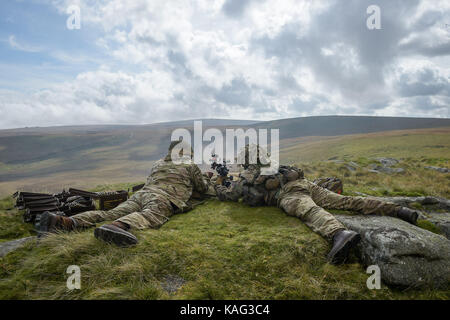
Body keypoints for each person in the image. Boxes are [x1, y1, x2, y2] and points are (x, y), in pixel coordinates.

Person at [215, 144, 419, 265]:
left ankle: (339, 234)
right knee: (346, 201)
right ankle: (399, 211)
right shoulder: (275, 165)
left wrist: (218, 186)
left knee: (309, 210)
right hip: (307, 184)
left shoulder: (249, 173)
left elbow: (231, 196)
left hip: (289, 193)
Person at [38, 140, 209, 247]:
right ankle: (117, 227)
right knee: (151, 215)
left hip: (142, 194)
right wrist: (206, 179)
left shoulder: (157, 163)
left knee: (110, 212)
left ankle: (64, 222)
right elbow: (202, 188)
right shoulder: (189, 164)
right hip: (163, 197)